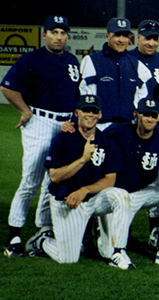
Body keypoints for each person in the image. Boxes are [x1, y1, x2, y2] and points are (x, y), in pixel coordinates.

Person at [2, 15, 79, 258]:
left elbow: (76, 95)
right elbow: (7, 87)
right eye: (54, 32)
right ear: (44, 34)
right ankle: (14, 236)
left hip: (65, 124)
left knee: (52, 182)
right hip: (40, 122)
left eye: (63, 32)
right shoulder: (31, 59)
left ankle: (42, 230)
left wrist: (73, 121)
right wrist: (25, 111)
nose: (59, 37)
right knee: (32, 180)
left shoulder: (72, 60)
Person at [27, 95, 133, 269]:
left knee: (121, 195)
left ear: (100, 115)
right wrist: (83, 159)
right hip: (68, 201)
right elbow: (55, 177)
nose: (90, 115)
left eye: (94, 111)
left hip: (92, 199)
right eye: (86, 110)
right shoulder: (63, 139)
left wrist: (85, 189)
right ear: (77, 113)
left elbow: (110, 179)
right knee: (68, 258)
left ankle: (118, 251)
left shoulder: (106, 141)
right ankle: (43, 241)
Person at [102, 97, 159, 266]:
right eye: (146, 115)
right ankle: (108, 241)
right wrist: (71, 127)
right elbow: (95, 138)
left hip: (140, 194)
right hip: (116, 197)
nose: (150, 119)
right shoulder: (119, 131)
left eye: (153, 116)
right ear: (136, 114)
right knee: (107, 251)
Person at [79, 17, 152, 129]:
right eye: (117, 35)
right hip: (100, 126)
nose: (121, 40)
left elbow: (142, 99)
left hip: (129, 127)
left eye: (125, 36)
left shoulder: (137, 65)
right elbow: (84, 95)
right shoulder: (92, 61)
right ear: (107, 36)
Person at [129, 20, 159, 102]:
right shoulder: (127, 59)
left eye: (155, 39)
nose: (151, 43)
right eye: (148, 38)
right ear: (138, 38)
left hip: (158, 113)